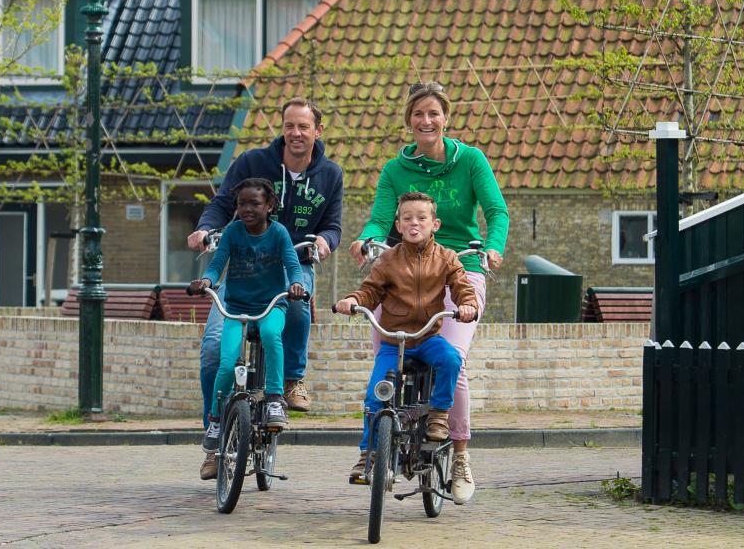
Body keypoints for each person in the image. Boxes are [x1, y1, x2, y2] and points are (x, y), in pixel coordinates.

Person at [347, 81, 507, 504]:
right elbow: (381, 218)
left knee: (453, 359)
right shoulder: (394, 170)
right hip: (403, 269)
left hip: (460, 269)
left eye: (434, 113)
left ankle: (459, 457)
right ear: (409, 120)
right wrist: (366, 241)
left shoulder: (470, 160)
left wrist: (492, 248)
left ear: (445, 117)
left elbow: (496, 210)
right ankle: (377, 442)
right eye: (419, 114)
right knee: (387, 356)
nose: (426, 121)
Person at [187, 98, 342, 417]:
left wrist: (326, 241)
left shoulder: (330, 174)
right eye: (289, 126)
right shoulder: (252, 163)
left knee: (298, 302)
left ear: (318, 130)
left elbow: (333, 226)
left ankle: (292, 379)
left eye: (303, 126)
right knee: (214, 352)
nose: (296, 133)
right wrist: (205, 229)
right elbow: (221, 204)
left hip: (294, 262)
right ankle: (213, 432)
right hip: (245, 265)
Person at [335, 191, 477, 483]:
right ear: (398, 226)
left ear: (434, 224)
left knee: (451, 360)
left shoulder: (446, 258)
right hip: (394, 341)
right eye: (407, 218)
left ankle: (439, 414)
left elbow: (462, 286)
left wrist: (468, 305)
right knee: (376, 394)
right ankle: (368, 455)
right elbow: (370, 290)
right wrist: (352, 300)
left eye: (421, 218)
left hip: (427, 338)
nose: (414, 224)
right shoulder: (388, 260)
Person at [186, 177, 306, 480]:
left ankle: (276, 399)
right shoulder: (232, 233)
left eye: (255, 203)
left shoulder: (279, 234)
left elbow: (293, 265)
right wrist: (207, 282)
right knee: (225, 363)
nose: (247, 209)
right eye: (242, 203)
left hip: (271, 305)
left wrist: (296, 284)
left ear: (269, 206)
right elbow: (217, 265)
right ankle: (216, 420)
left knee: (270, 335)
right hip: (236, 309)